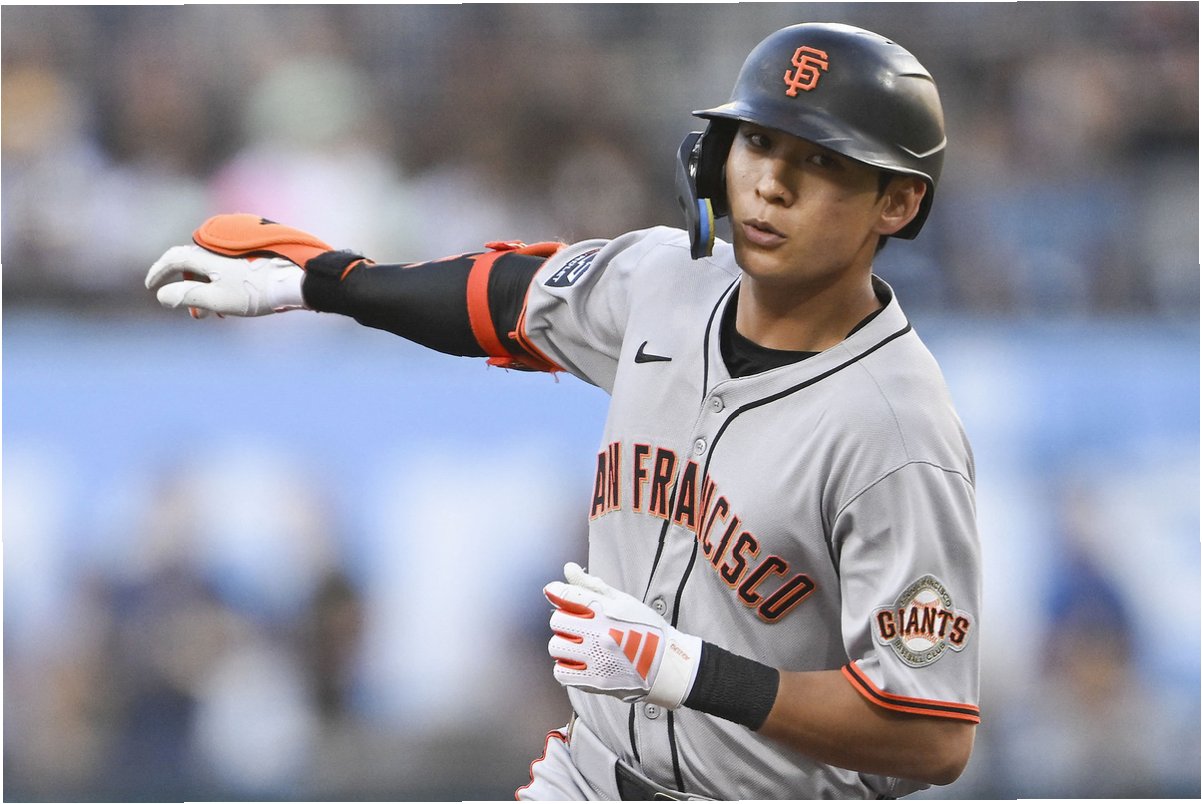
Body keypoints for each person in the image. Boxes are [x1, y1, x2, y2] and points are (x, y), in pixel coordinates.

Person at [147, 22, 981, 801]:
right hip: (587, 776)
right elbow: (504, 297)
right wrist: (323, 283)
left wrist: (692, 672)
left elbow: (929, 734)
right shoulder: (665, 280)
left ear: (897, 203)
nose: (772, 184)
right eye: (759, 142)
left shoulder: (897, 428)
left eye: (822, 161)